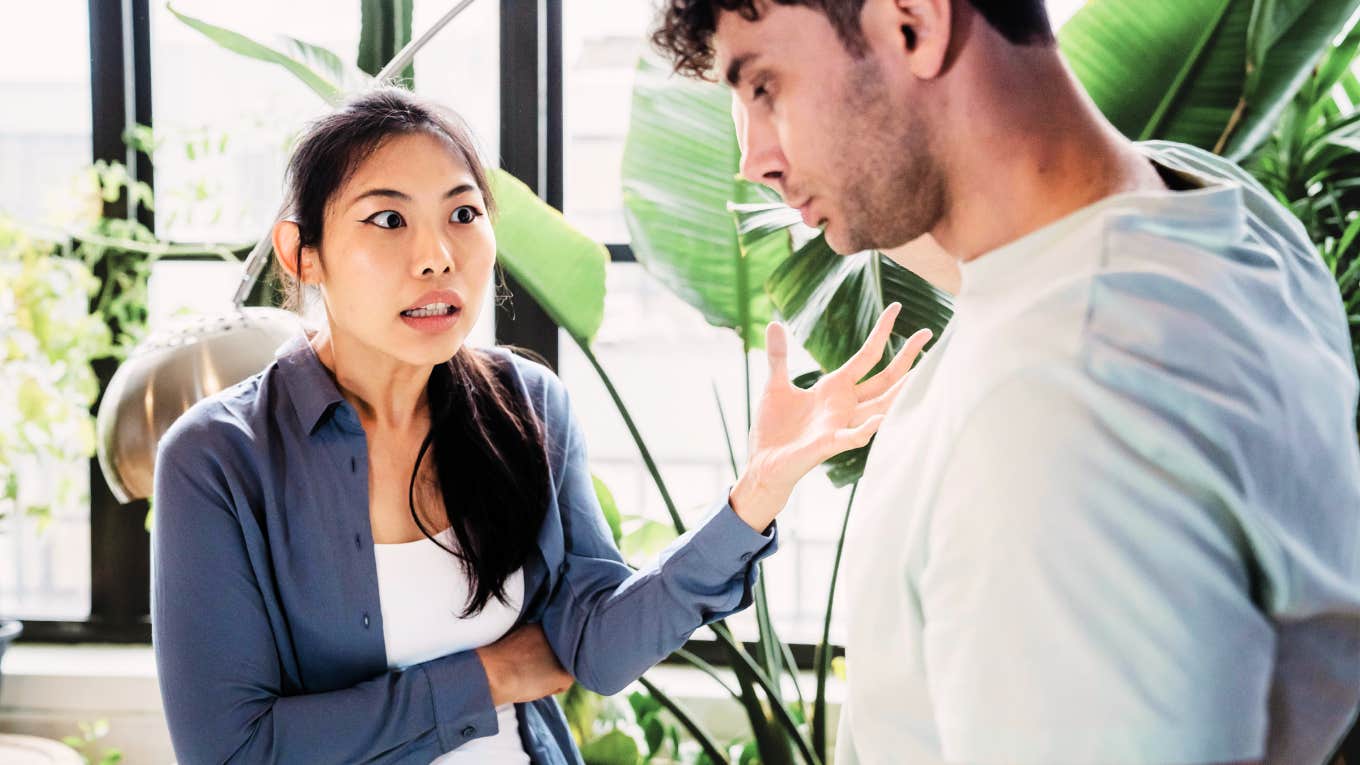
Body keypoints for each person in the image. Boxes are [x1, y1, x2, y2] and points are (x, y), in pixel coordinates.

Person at [651, 1, 1360, 763]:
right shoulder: (1210, 205)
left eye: (764, 87)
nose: (751, 160)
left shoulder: (1052, 411)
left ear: (912, 23)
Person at [150, 86, 930, 764]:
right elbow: (234, 749)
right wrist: (487, 674)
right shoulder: (218, 460)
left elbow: (596, 645)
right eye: (387, 220)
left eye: (462, 213)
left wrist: (756, 493)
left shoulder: (526, 405)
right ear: (302, 253)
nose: (436, 257)